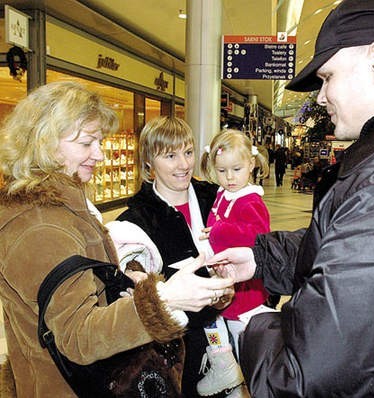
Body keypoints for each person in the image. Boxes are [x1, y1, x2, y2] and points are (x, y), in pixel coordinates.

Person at [207, 0, 374, 396]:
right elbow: (349, 243)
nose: (320, 97)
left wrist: (255, 323)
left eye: (327, 77)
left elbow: (301, 379)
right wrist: (261, 258)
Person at [0, 82, 234, 397]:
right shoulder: (40, 226)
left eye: (99, 142)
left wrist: (127, 280)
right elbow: (79, 336)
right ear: (44, 142)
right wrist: (163, 301)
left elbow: (79, 288)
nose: (98, 154)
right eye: (86, 143)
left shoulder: (57, 206)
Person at [116, 116, 231, 398]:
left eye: (188, 152)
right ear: (149, 163)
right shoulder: (135, 221)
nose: (184, 165)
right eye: (170, 155)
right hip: (179, 353)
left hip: (228, 337)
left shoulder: (218, 199)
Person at [197, 130, 270, 397]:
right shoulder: (224, 193)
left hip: (245, 292)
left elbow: (258, 234)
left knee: (245, 346)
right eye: (222, 170)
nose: (229, 178)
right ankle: (223, 367)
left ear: (251, 164)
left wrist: (216, 232)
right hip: (224, 284)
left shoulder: (250, 199)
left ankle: (247, 386)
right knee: (212, 323)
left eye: (236, 169)